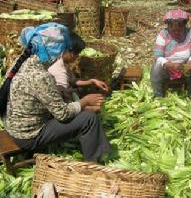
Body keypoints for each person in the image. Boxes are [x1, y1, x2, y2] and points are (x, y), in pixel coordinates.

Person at [0, 22, 110, 162]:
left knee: (69, 102)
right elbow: (63, 114)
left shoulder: (22, 61)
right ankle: (95, 162)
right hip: (28, 136)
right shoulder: (40, 76)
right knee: (89, 119)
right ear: (53, 51)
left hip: (13, 126)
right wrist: (85, 101)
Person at [150, 9, 191, 99]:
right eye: (173, 30)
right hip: (168, 68)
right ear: (168, 27)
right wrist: (170, 65)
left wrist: (190, 64)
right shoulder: (163, 35)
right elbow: (158, 56)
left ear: (184, 26)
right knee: (156, 67)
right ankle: (158, 96)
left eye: (179, 30)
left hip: (185, 68)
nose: (176, 32)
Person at [48, 45, 109, 112]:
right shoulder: (60, 74)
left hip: (69, 95)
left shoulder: (64, 62)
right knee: (91, 115)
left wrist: (92, 81)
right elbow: (65, 106)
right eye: (75, 54)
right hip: (64, 106)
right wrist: (88, 107)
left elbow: (74, 81)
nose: (77, 57)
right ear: (67, 52)